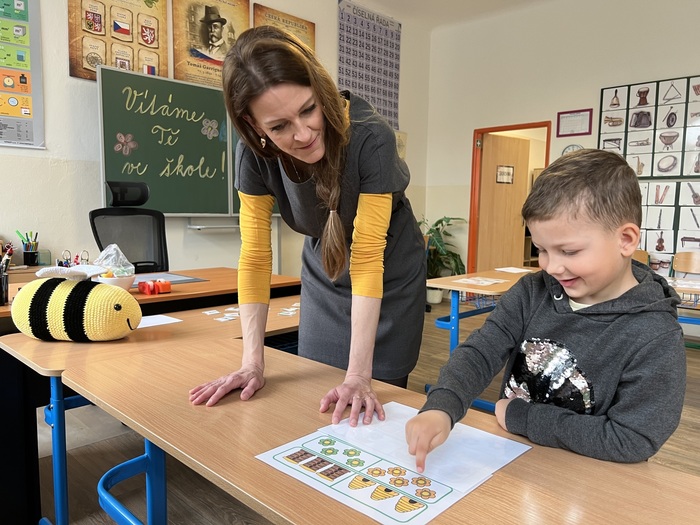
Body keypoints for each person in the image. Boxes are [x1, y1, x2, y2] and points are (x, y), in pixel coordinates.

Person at [189, 26, 426, 426]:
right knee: (314, 391)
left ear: (319, 88)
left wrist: (359, 376)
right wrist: (251, 363)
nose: (302, 134)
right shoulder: (252, 156)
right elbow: (255, 257)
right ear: (253, 125)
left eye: (308, 110)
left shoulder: (372, 139)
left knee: (371, 399)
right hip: (324, 262)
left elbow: (368, 256)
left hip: (389, 266)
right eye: (278, 127)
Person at [406, 149, 686, 468]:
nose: (551, 267)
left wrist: (524, 418)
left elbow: (632, 439)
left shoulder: (656, 335)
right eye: (541, 249)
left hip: (592, 477)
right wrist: (441, 406)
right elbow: (481, 352)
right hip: (511, 460)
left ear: (625, 239)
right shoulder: (532, 291)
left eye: (569, 251)